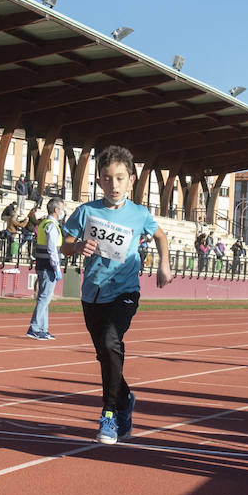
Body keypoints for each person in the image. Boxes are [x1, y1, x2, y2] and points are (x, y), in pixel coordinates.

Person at [60, 146, 173, 442]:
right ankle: (125, 400)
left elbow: (160, 235)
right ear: (99, 181)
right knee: (105, 355)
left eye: (120, 178)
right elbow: (65, 244)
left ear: (131, 179)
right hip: (92, 294)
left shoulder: (139, 214)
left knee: (111, 342)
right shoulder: (87, 211)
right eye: (108, 179)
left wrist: (164, 264)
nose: (114, 185)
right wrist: (76, 247)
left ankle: (109, 414)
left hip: (124, 291)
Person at [27, 197, 65, 340]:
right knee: (44, 298)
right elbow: (52, 249)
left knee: (45, 297)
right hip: (48, 265)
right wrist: (56, 267)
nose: (63, 212)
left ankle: (43, 328)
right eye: (62, 209)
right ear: (56, 210)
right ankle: (35, 327)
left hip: (42, 264)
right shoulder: (52, 225)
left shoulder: (44, 223)